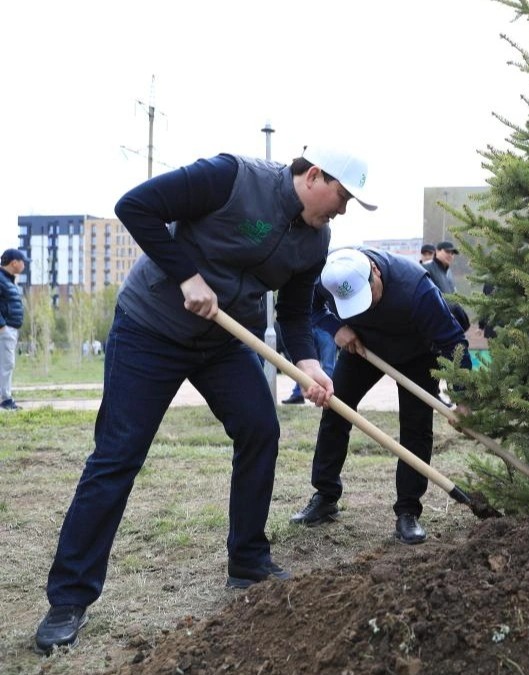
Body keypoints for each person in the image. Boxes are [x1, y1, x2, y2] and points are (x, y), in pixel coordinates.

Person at [34, 144, 377, 654]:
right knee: (117, 456)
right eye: (342, 196)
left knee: (261, 430)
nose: (342, 209)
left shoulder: (316, 239)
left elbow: (296, 313)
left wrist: (308, 365)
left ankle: (248, 562)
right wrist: (186, 275)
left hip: (222, 340)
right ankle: (68, 599)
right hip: (152, 327)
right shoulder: (230, 178)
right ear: (315, 176)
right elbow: (136, 206)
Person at [290, 247, 472, 545]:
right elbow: (304, 309)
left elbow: (453, 343)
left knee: (416, 427)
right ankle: (325, 496)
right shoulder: (330, 278)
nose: (363, 307)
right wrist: (336, 327)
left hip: (417, 353)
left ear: (375, 271)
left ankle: (408, 512)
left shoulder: (417, 290)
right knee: (336, 409)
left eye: (365, 296)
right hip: (362, 347)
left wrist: (464, 398)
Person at [282, 286, 339, 405]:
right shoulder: (312, 276)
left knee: (327, 364)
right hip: (308, 324)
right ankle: (298, 394)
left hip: (326, 327)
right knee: (305, 362)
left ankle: (328, 395)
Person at [0, 248, 27, 411]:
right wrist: (1, 325)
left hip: (9, 329)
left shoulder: (7, 280)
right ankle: (6, 400)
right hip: (5, 329)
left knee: (5, 364)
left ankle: (5, 397)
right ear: (14, 263)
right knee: (7, 364)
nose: (24, 265)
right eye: (23, 261)